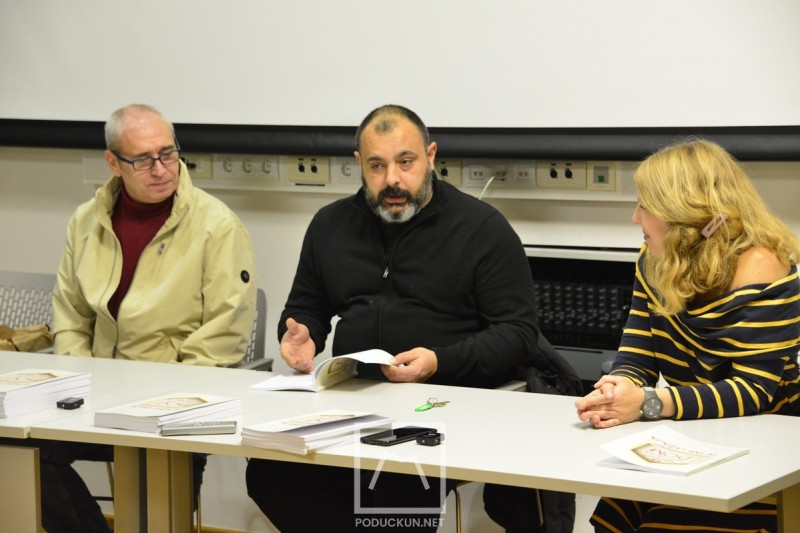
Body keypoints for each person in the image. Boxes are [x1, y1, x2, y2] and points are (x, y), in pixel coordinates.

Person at [245, 104, 543, 532]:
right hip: (353, 401)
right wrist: (301, 332)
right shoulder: (330, 225)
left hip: (444, 402)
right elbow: (307, 306)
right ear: (359, 164)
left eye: (406, 162)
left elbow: (518, 333)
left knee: (393, 488)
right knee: (272, 473)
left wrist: (438, 360)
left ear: (431, 156)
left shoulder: (482, 229)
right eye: (377, 166)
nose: (392, 180)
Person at [34, 103, 256, 533]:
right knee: (20, 446)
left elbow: (225, 332)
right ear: (113, 163)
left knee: (156, 507)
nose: (161, 169)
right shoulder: (86, 221)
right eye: (143, 160)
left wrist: (167, 402)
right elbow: (70, 316)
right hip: (96, 398)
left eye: (168, 154)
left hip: (174, 407)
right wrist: (82, 387)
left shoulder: (217, 225)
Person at [574, 139, 800, 533]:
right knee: (610, 521)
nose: (635, 217)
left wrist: (648, 403)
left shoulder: (763, 265)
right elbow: (638, 353)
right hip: (693, 431)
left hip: (764, 445)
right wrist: (618, 388)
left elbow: (753, 391)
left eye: (645, 206)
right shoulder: (655, 260)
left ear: (682, 214)